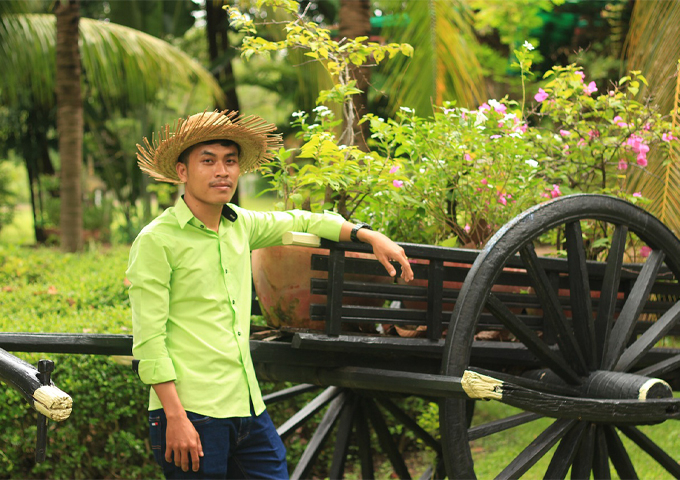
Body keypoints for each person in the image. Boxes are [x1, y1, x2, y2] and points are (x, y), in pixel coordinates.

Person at [128, 110, 413, 479]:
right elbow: (149, 340)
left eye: (230, 161)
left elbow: (303, 221)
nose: (222, 171)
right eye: (208, 161)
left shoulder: (240, 225)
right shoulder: (156, 240)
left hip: (247, 408)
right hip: (190, 412)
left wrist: (368, 235)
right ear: (182, 172)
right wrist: (175, 418)